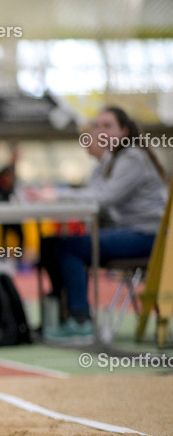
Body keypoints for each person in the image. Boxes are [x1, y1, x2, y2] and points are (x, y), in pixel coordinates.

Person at [41, 106, 168, 343]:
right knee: (53, 244)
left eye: (108, 126)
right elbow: (99, 202)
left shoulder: (131, 157)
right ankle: (63, 315)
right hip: (131, 232)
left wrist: (57, 194)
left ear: (124, 131)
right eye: (97, 126)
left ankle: (80, 321)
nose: (100, 132)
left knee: (70, 247)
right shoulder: (111, 162)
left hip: (148, 237)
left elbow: (103, 199)